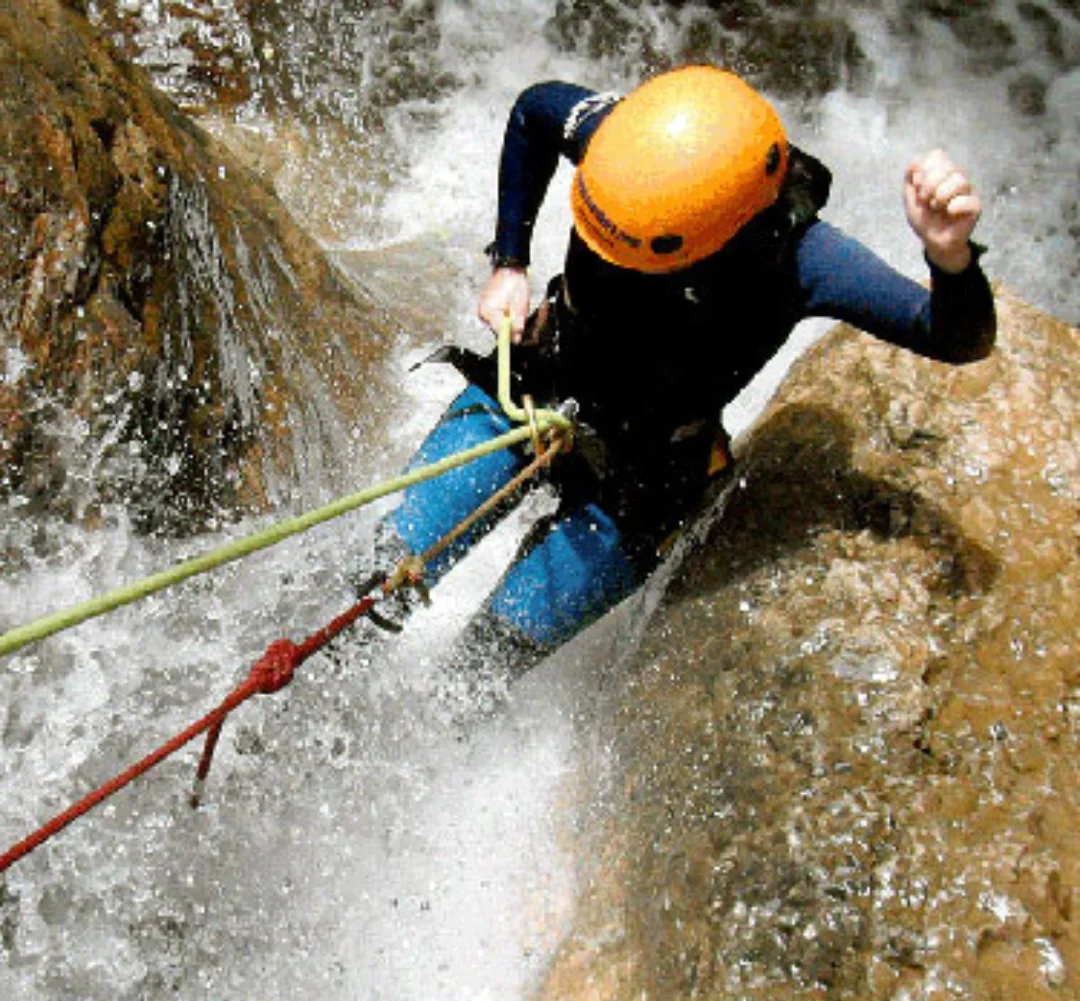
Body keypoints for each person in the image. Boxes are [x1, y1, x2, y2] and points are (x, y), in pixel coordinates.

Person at [362, 65, 996, 695]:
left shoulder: (804, 259)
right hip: (533, 386)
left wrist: (951, 260)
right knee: (371, 583)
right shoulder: (625, 145)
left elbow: (950, 336)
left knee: (474, 677)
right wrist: (509, 262)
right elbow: (534, 111)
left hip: (639, 483)